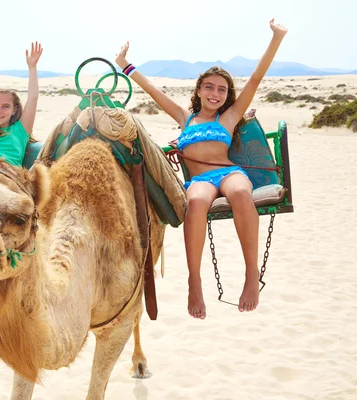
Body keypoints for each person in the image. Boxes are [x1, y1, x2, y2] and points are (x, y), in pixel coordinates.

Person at [115, 19, 288, 319]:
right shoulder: (186, 118)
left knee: (239, 194)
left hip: (229, 172)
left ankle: (250, 276)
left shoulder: (229, 117)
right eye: (209, 87)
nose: (215, 93)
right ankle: (194, 281)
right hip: (201, 180)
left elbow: (256, 79)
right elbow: (154, 92)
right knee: (195, 202)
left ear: (226, 95)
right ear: (198, 89)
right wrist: (124, 64)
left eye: (222, 89)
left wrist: (277, 38)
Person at [0, 41, 42, 166]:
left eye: (6, 106)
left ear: (14, 110)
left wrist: (32, 67)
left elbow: (33, 97)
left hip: (8, 177)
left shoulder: (21, 130)